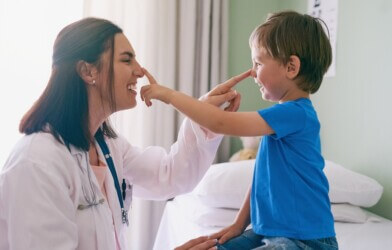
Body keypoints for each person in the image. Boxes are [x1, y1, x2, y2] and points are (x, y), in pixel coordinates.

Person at [0, 17, 249, 250]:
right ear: (88, 71)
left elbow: (170, 175)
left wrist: (203, 115)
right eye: (127, 59)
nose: (140, 71)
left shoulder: (108, 147)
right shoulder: (37, 163)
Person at [140, 11, 338, 250]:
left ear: (291, 67)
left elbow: (219, 123)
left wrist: (169, 95)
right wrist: (237, 224)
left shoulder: (296, 114)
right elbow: (262, 181)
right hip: (270, 231)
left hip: (307, 241)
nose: (253, 72)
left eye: (258, 63)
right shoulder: (283, 116)